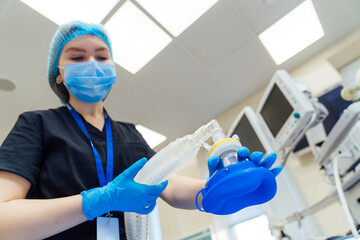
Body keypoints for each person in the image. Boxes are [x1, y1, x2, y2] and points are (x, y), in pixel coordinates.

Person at [0, 21, 282, 240]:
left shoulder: (129, 134)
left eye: (102, 56)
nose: (93, 65)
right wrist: (99, 200)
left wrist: (215, 189)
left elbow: (167, 185)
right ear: (58, 73)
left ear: (112, 68)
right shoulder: (37, 124)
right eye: (77, 57)